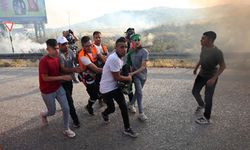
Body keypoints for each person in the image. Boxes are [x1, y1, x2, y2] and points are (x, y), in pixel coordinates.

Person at [100, 37, 138, 138]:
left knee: (123, 107)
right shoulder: (114, 58)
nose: (124, 49)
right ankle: (104, 113)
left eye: (126, 47)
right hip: (106, 89)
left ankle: (127, 129)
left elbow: (118, 74)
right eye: (121, 47)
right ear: (116, 48)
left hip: (114, 87)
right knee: (111, 109)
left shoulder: (119, 56)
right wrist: (129, 78)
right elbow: (117, 77)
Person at [39, 39, 76, 138]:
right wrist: (62, 77)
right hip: (47, 91)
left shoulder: (57, 57)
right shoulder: (43, 61)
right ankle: (43, 114)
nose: (56, 51)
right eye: (54, 49)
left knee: (66, 108)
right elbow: (45, 78)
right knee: (52, 112)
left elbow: (59, 71)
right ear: (48, 49)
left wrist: (73, 71)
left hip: (58, 88)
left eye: (57, 48)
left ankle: (66, 129)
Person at [192, 31, 226, 125]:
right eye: (202, 38)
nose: (201, 40)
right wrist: (196, 67)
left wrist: (214, 79)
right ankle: (201, 105)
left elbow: (223, 66)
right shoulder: (203, 47)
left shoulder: (217, 52)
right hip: (201, 74)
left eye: (203, 38)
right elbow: (201, 58)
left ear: (210, 40)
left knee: (208, 98)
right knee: (194, 91)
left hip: (211, 77)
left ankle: (206, 118)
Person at [57, 36, 82, 128]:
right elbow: (63, 69)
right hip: (61, 81)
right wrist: (74, 69)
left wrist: (79, 61)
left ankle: (65, 105)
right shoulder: (58, 55)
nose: (66, 45)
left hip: (69, 80)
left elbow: (74, 61)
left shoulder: (70, 51)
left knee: (69, 98)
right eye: (63, 44)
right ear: (59, 45)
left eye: (66, 43)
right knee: (70, 101)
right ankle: (76, 121)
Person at [78, 36, 103, 115]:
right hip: (86, 75)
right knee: (93, 95)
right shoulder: (82, 56)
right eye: (86, 46)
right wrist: (110, 70)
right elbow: (96, 70)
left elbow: (103, 58)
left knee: (101, 88)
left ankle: (100, 98)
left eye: (90, 45)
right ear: (83, 46)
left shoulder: (94, 47)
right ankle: (89, 106)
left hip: (96, 71)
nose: (89, 47)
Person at [127, 34, 149, 121]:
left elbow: (143, 67)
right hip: (135, 76)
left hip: (143, 75)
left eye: (138, 39)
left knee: (137, 93)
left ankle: (131, 104)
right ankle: (141, 113)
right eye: (135, 40)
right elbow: (129, 63)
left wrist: (132, 73)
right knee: (139, 93)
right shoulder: (130, 52)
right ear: (131, 42)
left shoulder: (144, 52)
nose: (137, 41)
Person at [92, 31, 109, 106]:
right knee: (98, 84)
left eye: (99, 37)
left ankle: (104, 98)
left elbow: (107, 57)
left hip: (104, 68)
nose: (98, 39)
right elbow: (104, 59)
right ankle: (100, 99)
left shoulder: (103, 46)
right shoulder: (92, 47)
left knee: (105, 83)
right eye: (96, 37)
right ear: (93, 38)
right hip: (97, 69)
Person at [124, 28, 135, 105]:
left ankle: (132, 103)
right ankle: (132, 103)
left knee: (130, 86)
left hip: (132, 68)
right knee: (129, 86)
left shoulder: (134, 43)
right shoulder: (124, 42)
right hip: (127, 68)